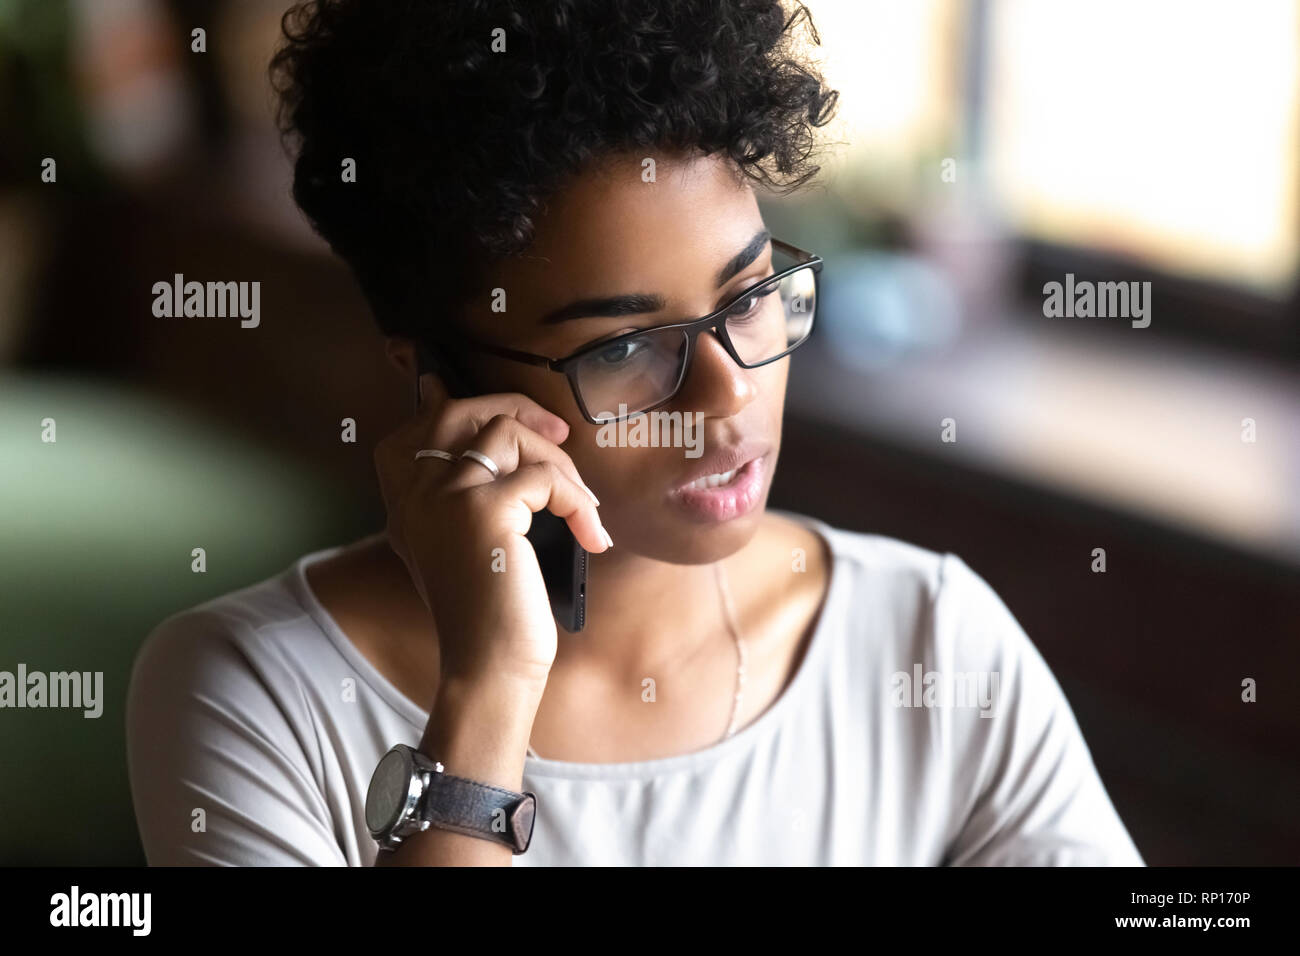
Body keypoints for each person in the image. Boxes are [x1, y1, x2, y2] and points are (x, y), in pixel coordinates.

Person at [126, 0, 1144, 866]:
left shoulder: (929, 644)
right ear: (439, 378)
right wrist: (486, 691)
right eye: (623, 348)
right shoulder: (253, 693)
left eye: (749, 297)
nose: (723, 393)